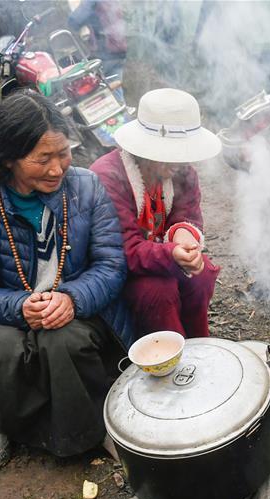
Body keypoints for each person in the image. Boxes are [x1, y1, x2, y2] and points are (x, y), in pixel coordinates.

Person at [0, 90, 133, 470]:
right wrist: (19, 306)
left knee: (63, 339)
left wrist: (71, 298)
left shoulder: (86, 188)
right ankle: (4, 420)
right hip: (9, 319)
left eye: (63, 152)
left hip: (80, 314)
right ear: (8, 159)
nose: (57, 168)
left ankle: (85, 433)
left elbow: (111, 265)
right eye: (42, 158)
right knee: (0, 347)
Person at [90, 88, 221, 339]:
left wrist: (184, 239)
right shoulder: (109, 177)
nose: (177, 163)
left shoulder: (182, 171)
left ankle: (200, 346)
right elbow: (124, 249)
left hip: (159, 256)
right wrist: (171, 253)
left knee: (200, 273)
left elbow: (187, 214)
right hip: (120, 270)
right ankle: (170, 358)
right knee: (157, 291)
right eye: (168, 154)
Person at [67, 0, 127, 81]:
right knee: (114, 86)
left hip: (104, 54)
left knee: (96, 89)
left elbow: (74, 21)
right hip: (119, 50)